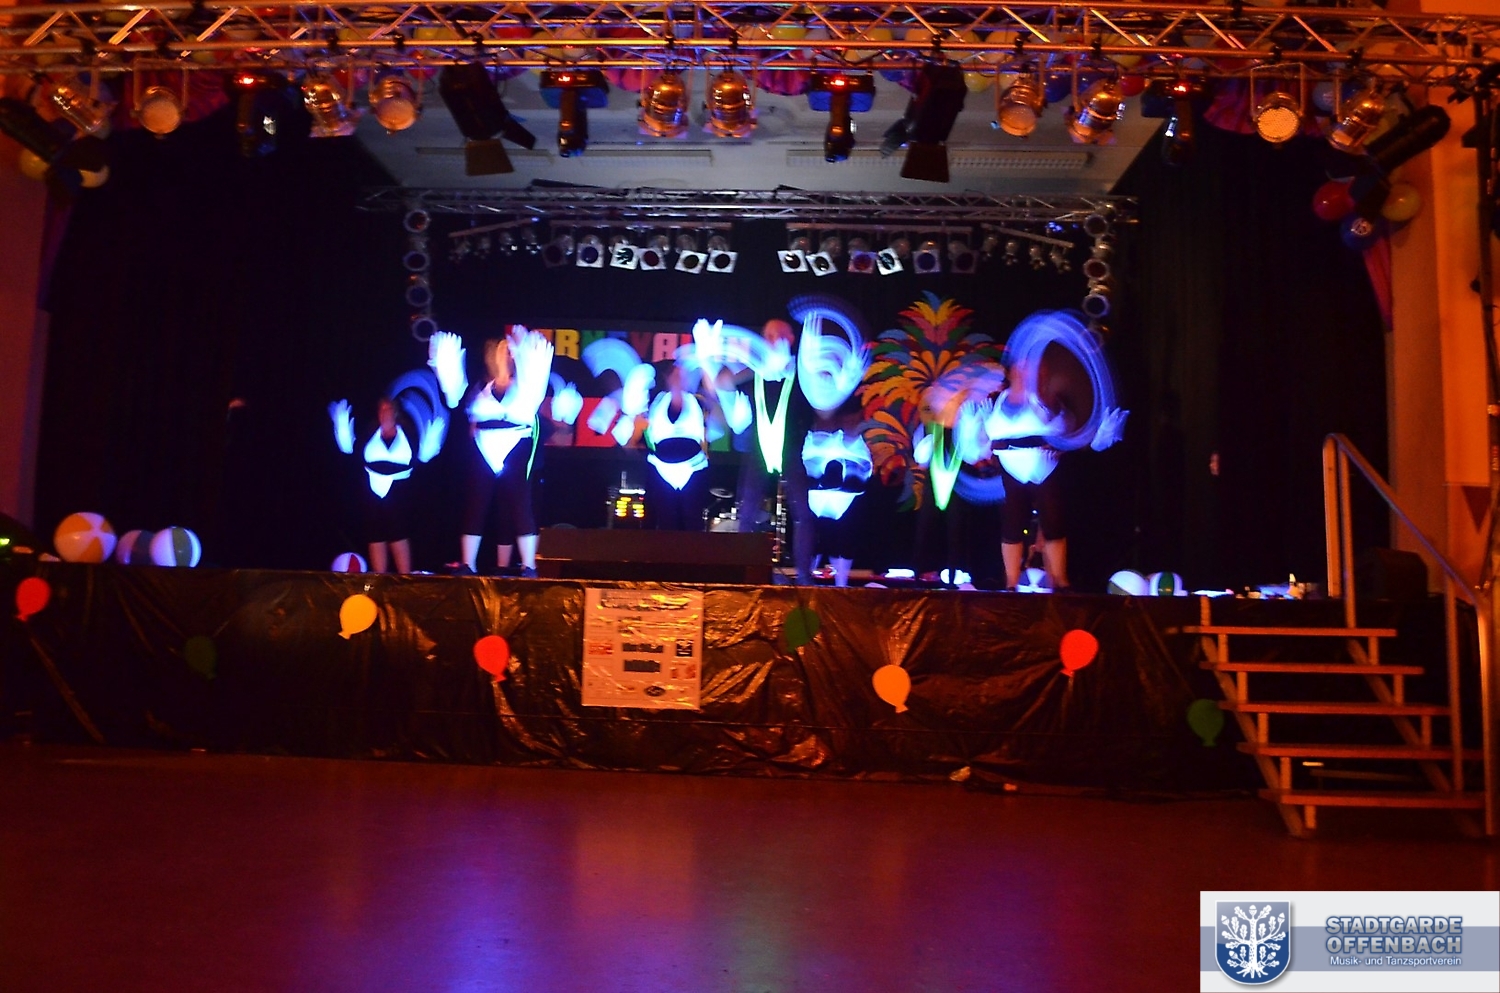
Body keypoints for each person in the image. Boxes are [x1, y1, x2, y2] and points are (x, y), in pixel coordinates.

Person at [429, 327, 553, 576]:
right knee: (476, 504)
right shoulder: (479, 389)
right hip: (483, 449)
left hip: (515, 447)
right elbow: (459, 405)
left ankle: (529, 566)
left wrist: (527, 354)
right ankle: (468, 564)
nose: (506, 357)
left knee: (520, 505)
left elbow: (534, 393)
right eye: (502, 352)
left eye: (509, 353)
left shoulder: (526, 387)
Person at [328, 388, 444, 574]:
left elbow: (421, 457)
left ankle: (405, 578)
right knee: (375, 534)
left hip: (399, 492)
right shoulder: (370, 433)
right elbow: (351, 450)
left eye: (388, 409)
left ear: (395, 412)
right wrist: (341, 427)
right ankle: (379, 577)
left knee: (397, 532)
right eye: (381, 410)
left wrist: (431, 443)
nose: (384, 413)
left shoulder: (407, 434)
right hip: (372, 491)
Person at [643, 363, 715, 530]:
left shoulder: (697, 401)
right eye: (675, 375)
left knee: (692, 520)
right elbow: (646, 429)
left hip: (693, 468)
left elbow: (712, 428)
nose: (678, 379)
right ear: (668, 379)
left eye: (682, 376)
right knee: (666, 520)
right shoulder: (658, 401)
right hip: (662, 469)